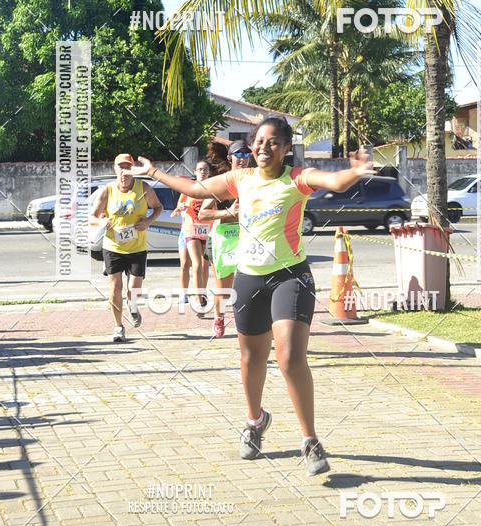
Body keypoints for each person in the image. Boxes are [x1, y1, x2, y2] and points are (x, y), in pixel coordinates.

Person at [137, 114, 374, 476]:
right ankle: (255, 420)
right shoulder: (240, 179)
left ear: (285, 149)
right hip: (249, 279)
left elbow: (334, 181)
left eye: (273, 142)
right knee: (250, 359)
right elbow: (195, 190)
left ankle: (310, 440)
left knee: (290, 357)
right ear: (252, 146)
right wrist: (154, 172)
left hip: (290, 277)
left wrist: (355, 172)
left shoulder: (297, 179)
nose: (264, 148)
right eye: (259, 142)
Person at [90, 153, 163, 342]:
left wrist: (148, 221)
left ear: (133, 169)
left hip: (137, 247)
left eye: (128, 167)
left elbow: (158, 207)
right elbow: (92, 217)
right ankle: (118, 327)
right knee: (115, 287)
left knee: (134, 288)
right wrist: (102, 221)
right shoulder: (107, 191)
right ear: (115, 169)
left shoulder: (143, 188)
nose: (124, 171)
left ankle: (133, 307)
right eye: (120, 167)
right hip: (113, 246)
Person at [199, 140, 251, 338]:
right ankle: (219, 318)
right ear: (230, 158)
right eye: (239, 155)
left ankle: (249, 323)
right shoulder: (221, 182)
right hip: (223, 239)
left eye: (247, 155)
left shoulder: (255, 178)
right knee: (224, 287)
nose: (243, 159)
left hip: (247, 237)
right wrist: (229, 212)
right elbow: (203, 214)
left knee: (249, 282)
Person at [171, 158, 211, 317]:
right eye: (200, 169)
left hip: (207, 231)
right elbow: (179, 207)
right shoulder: (189, 188)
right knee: (190, 264)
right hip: (189, 230)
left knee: (204, 266)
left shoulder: (213, 187)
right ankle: (190, 296)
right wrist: (179, 208)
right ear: (195, 172)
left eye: (206, 169)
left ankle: (202, 294)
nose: (203, 172)